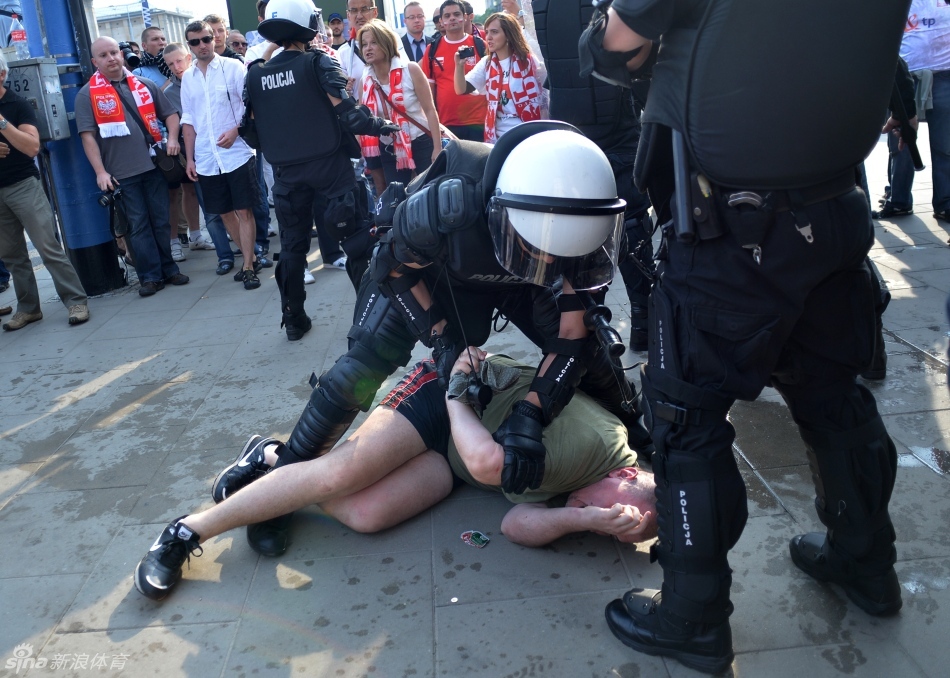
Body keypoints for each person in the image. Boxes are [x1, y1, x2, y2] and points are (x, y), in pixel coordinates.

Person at [580, 1, 909, 673]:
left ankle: (694, 618)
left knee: (684, 417)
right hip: (833, 208)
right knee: (833, 395)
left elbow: (615, 45)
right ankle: (866, 563)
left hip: (731, 228)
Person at [235, 120, 654, 557]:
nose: (553, 257)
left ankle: (640, 437)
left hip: (518, 280)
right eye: (547, 245)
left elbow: (572, 335)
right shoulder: (448, 203)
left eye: (562, 251)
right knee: (359, 369)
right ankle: (278, 483)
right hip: (426, 272)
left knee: (593, 356)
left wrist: (533, 411)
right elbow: (391, 268)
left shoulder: (587, 219)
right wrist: (442, 339)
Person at [133, 351, 658, 600]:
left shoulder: (581, 491)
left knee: (365, 514)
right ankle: (185, 532)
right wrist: (454, 392)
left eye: (622, 530)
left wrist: (582, 519)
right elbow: (489, 465)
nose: (613, 519)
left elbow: (515, 526)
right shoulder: (597, 447)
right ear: (632, 475)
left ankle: (271, 457)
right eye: (629, 514)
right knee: (338, 474)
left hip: (456, 453)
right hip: (444, 396)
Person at [242, 0, 398, 339]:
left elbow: (250, 131)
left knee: (293, 246)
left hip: (286, 174)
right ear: (308, 24)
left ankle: (294, 320)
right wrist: (384, 125)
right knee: (356, 241)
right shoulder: (318, 62)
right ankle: (369, 320)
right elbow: (351, 115)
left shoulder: (254, 73)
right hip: (331, 169)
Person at [534, 0, 655, 352]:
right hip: (606, 125)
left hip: (576, 124)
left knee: (578, 229)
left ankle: (582, 326)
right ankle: (640, 320)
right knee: (627, 224)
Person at [77, 37, 189, 297]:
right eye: (103, 55)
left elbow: (171, 114)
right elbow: (87, 137)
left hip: (153, 167)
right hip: (121, 174)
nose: (111, 58)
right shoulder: (87, 95)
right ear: (95, 62)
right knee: (137, 226)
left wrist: (172, 138)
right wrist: (100, 172)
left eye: (114, 52)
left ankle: (169, 269)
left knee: (161, 221)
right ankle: (149, 276)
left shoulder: (144, 84)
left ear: (121, 53)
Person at [0, 55, 89, 330]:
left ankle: (76, 301)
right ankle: (28, 309)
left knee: (47, 247)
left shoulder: (16, 104)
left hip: (22, 185)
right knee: (12, 254)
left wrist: (2, 124)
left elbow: (31, 147)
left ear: (1, 75)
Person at [181, 20, 263, 290]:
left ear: (214, 38)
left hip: (236, 152)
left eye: (206, 39)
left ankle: (249, 266)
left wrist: (237, 130)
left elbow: (250, 106)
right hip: (206, 157)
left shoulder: (233, 67)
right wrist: (190, 159)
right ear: (189, 45)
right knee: (224, 212)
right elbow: (189, 121)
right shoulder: (188, 78)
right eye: (195, 42)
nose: (202, 45)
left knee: (244, 209)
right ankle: (249, 257)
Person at [876, 0, 950, 222]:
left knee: (945, 146)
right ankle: (898, 201)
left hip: (944, 74)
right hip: (904, 76)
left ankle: (945, 203)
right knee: (901, 144)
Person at [358, 19, 441, 186]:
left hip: (421, 142)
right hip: (389, 147)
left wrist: (437, 148)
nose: (368, 48)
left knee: (429, 193)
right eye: (364, 44)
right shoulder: (365, 81)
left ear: (386, 43)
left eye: (374, 42)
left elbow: (430, 110)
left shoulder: (410, 70)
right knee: (397, 200)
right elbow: (365, 120)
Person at [161, 43, 218, 255]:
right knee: (183, 191)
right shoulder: (169, 91)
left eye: (178, 61)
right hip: (184, 148)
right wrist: (173, 140)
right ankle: (181, 239)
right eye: (170, 64)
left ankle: (200, 234)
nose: (176, 67)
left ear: (187, 57)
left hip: (210, 143)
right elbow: (172, 121)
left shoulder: (203, 76)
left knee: (201, 191)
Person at [454, 12, 541, 144]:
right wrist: (459, 66)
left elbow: (545, 98)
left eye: (494, 32)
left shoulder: (529, 61)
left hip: (527, 135)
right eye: (487, 32)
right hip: (497, 138)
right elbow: (460, 89)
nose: (488, 37)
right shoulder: (486, 63)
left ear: (508, 35)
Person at [421, 0, 488, 141]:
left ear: (465, 17)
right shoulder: (432, 49)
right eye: (447, 16)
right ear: (441, 21)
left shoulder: (480, 45)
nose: (452, 18)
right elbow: (429, 89)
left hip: (479, 121)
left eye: (456, 14)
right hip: (446, 124)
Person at [132, 27, 171, 91]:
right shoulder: (138, 73)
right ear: (144, 46)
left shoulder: (175, 63)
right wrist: (172, 80)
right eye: (155, 39)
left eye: (163, 39)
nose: (161, 43)